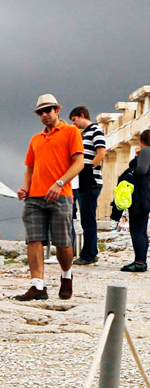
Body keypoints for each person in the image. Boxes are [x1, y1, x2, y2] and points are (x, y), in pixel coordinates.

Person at [17, 95, 85, 301]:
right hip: (35, 197)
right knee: (33, 240)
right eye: (41, 112)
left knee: (63, 242)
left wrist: (60, 182)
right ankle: (37, 285)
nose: (45, 115)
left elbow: (79, 163)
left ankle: (66, 276)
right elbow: (30, 168)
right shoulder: (35, 139)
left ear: (58, 110)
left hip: (61, 195)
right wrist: (25, 188)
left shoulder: (71, 132)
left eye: (49, 110)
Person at [68, 106, 106, 265]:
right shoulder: (84, 134)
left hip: (90, 181)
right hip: (83, 181)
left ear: (81, 115)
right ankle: (90, 251)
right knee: (86, 218)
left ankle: (88, 254)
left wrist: (88, 170)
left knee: (88, 219)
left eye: (74, 120)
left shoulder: (95, 130)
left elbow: (101, 153)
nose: (74, 124)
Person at [122, 130, 150, 272]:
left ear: (141, 140)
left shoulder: (147, 151)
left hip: (141, 193)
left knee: (137, 230)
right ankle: (141, 260)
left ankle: (139, 261)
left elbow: (140, 170)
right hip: (147, 191)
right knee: (141, 230)